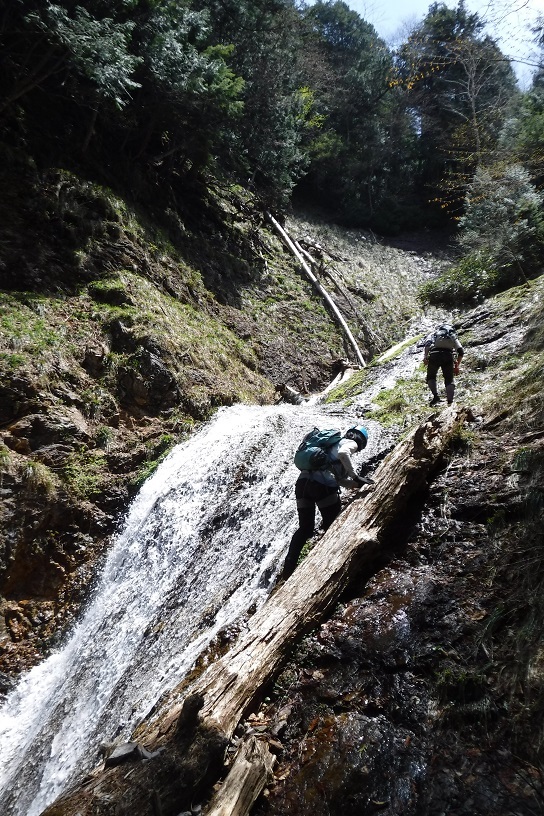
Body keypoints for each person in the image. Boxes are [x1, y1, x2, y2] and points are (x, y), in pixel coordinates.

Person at [281, 425, 373, 581]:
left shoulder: (329, 447)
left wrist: (357, 485)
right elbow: (344, 454)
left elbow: (340, 480)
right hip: (322, 487)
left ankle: (288, 570)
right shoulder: (350, 443)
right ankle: (328, 569)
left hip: (303, 484)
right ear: (361, 441)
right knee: (333, 526)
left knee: (305, 529)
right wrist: (356, 477)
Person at [423, 324, 464, 406]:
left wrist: (425, 357)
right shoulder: (452, 335)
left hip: (434, 355)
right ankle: (450, 402)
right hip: (448, 355)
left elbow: (427, 344)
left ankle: (435, 397)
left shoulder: (435, 334)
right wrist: (457, 366)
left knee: (431, 376)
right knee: (449, 379)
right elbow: (461, 351)